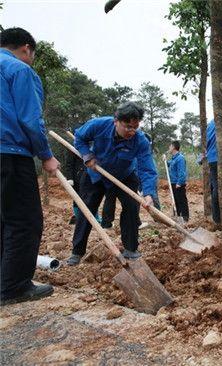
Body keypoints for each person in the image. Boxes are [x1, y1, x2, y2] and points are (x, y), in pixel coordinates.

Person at [0, 27, 60, 305]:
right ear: (26, 48)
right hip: (10, 154)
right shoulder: (19, 70)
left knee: (3, 219)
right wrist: (46, 155)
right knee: (25, 221)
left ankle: (4, 279)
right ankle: (14, 286)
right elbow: (30, 118)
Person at [66, 101, 158, 265]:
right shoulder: (98, 125)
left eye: (135, 127)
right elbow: (79, 137)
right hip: (96, 174)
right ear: (116, 121)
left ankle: (131, 249)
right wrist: (87, 156)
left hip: (124, 175)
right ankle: (77, 252)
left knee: (131, 207)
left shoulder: (140, 140)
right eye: (127, 126)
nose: (131, 131)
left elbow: (147, 168)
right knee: (86, 210)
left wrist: (149, 193)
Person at [167, 141, 189, 221]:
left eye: (170, 146)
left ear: (173, 147)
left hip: (178, 183)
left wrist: (179, 183)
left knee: (181, 200)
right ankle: (178, 216)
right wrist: (165, 161)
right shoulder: (174, 158)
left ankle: (185, 217)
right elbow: (170, 163)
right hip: (172, 182)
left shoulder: (180, 158)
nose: (169, 148)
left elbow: (182, 172)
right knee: (175, 200)